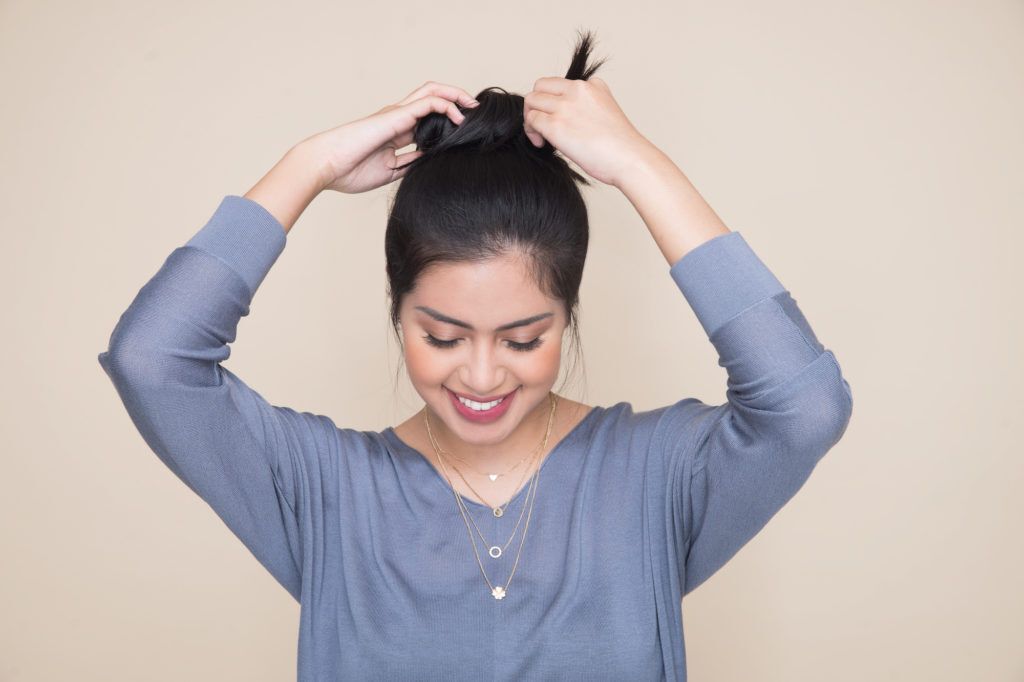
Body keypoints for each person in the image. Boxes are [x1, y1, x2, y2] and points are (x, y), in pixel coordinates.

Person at [98, 30, 853, 682]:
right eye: (443, 336)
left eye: (525, 339)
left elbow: (803, 406)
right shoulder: (326, 493)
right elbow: (153, 358)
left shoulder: (655, 479)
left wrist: (639, 166)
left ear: (569, 317)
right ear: (398, 314)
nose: (483, 376)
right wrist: (309, 166)